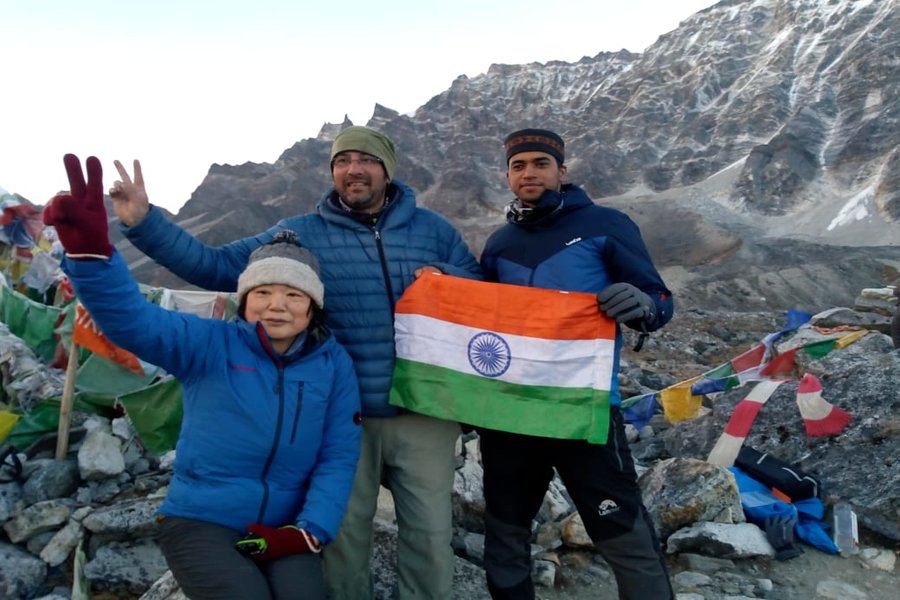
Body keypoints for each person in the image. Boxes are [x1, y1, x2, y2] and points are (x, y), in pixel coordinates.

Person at [109, 126, 482, 599]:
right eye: (342, 161)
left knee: (430, 534)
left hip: (426, 411)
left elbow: (479, 288)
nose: (354, 169)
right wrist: (144, 222)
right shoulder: (301, 233)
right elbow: (214, 265)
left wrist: (445, 276)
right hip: (344, 417)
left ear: (387, 169)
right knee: (344, 536)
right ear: (332, 171)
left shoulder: (433, 230)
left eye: (365, 160)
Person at [44, 154, 362, 600]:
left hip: (285, 528)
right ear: (244, 301)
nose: (277, 305)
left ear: (312, 307)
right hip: (201, 521)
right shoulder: (210, 344)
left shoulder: (333, 365)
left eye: (293, 294)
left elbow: (338, 455)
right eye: (263, 292)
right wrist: (93, 258)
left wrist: (309, 531)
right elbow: (133, 321)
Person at [478, 129, 676, 599]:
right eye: (519, 165)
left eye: (540, 164)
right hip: (511, 412)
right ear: (508, 175)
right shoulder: (500, 243)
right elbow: (482, 320)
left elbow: (659, 297)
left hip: (583, 407)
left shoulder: (606, 224)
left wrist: (644, 306)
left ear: (561, 172)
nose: (529, 173)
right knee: (505, 530)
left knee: (621, 529)